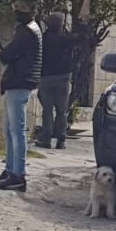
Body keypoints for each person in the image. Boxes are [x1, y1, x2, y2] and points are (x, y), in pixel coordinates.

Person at [0, 0, 43, 192]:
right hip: (19, 83)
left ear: (31, 10)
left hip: (20, 83)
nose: (17, 10)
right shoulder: (31, 29)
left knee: (17, 131)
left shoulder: (27, 31)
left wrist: (4, 55)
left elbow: (8, 54)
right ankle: (10, 169)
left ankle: (18, 174)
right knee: (9, 130)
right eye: (15, 6)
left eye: (22, 7)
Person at [36, 12, 89, 149]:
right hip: (63, 78)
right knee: (61, 110)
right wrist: (82, 24)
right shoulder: (64, 38)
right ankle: (61, 139)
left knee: (47, 110)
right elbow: (82, 38)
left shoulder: (43, 39)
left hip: (46, 77)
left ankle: (46, 138)